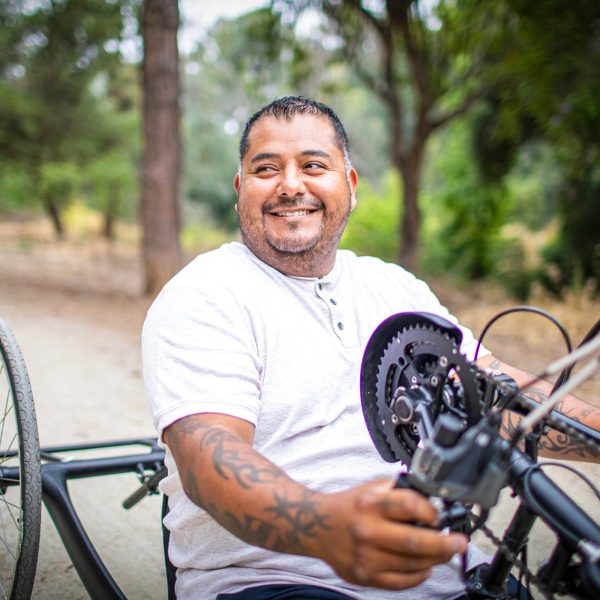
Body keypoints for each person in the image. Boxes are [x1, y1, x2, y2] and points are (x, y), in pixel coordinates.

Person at [142, 96, 600, 600]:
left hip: (453, 579)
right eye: (266, 169)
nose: (290, 184)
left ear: (351, 186)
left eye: (313, 165)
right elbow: (209, 456)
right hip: (275, 582)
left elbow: (495, 397)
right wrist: (326, 527)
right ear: (240, 190)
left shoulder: (395, 287)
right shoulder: (205, 292)